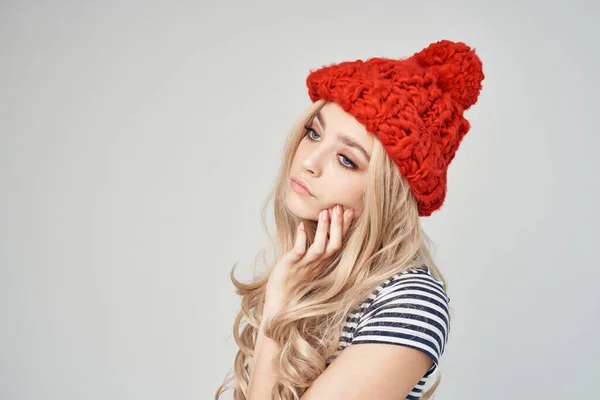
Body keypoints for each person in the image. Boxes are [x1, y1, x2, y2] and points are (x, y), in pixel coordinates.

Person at [215, 39, 484, 400]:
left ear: (385, 192)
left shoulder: (409, 301)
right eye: (314, 133)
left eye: (347, 160)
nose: (309, 161)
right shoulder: (311, 274)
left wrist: (277, 308)